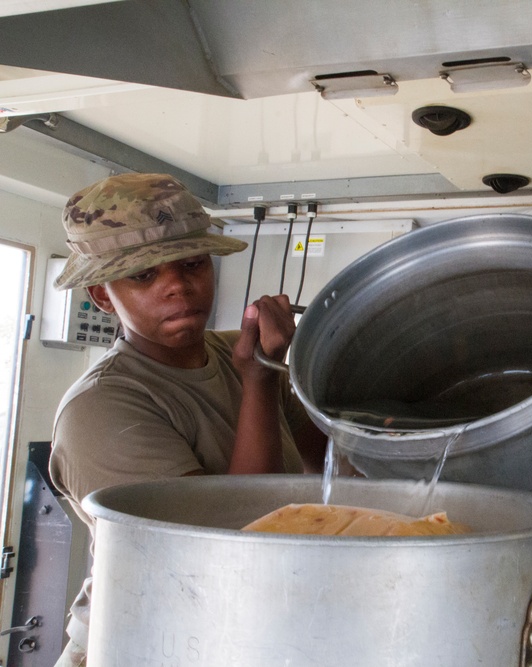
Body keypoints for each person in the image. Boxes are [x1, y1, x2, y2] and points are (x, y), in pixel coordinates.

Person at [48, 173, 330, 666]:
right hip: (147, 641)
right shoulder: (101, 409)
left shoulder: (235, 353)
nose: (177, 285)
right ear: (100, 295)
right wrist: (260, 378)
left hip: (242, 625)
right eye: (143, 275)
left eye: (192, 264)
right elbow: (226, 546)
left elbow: (330, 473)